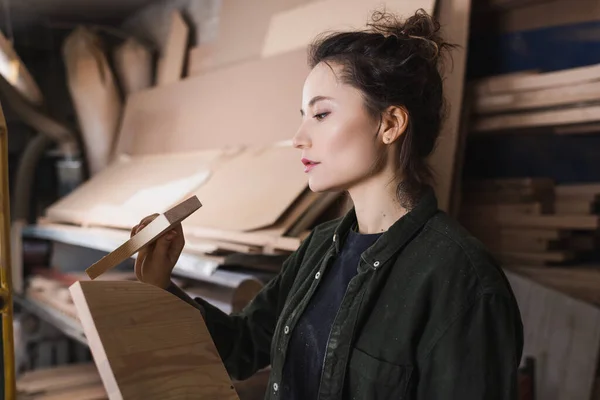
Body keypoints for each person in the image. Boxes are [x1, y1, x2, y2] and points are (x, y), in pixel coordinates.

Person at [130, 8, 524, 400]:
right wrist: (163, 285)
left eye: (321, 113)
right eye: (303, 116)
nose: (299, 137)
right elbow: (243, 346)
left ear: (390, 124)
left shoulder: (462, 280)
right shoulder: (319, 247)